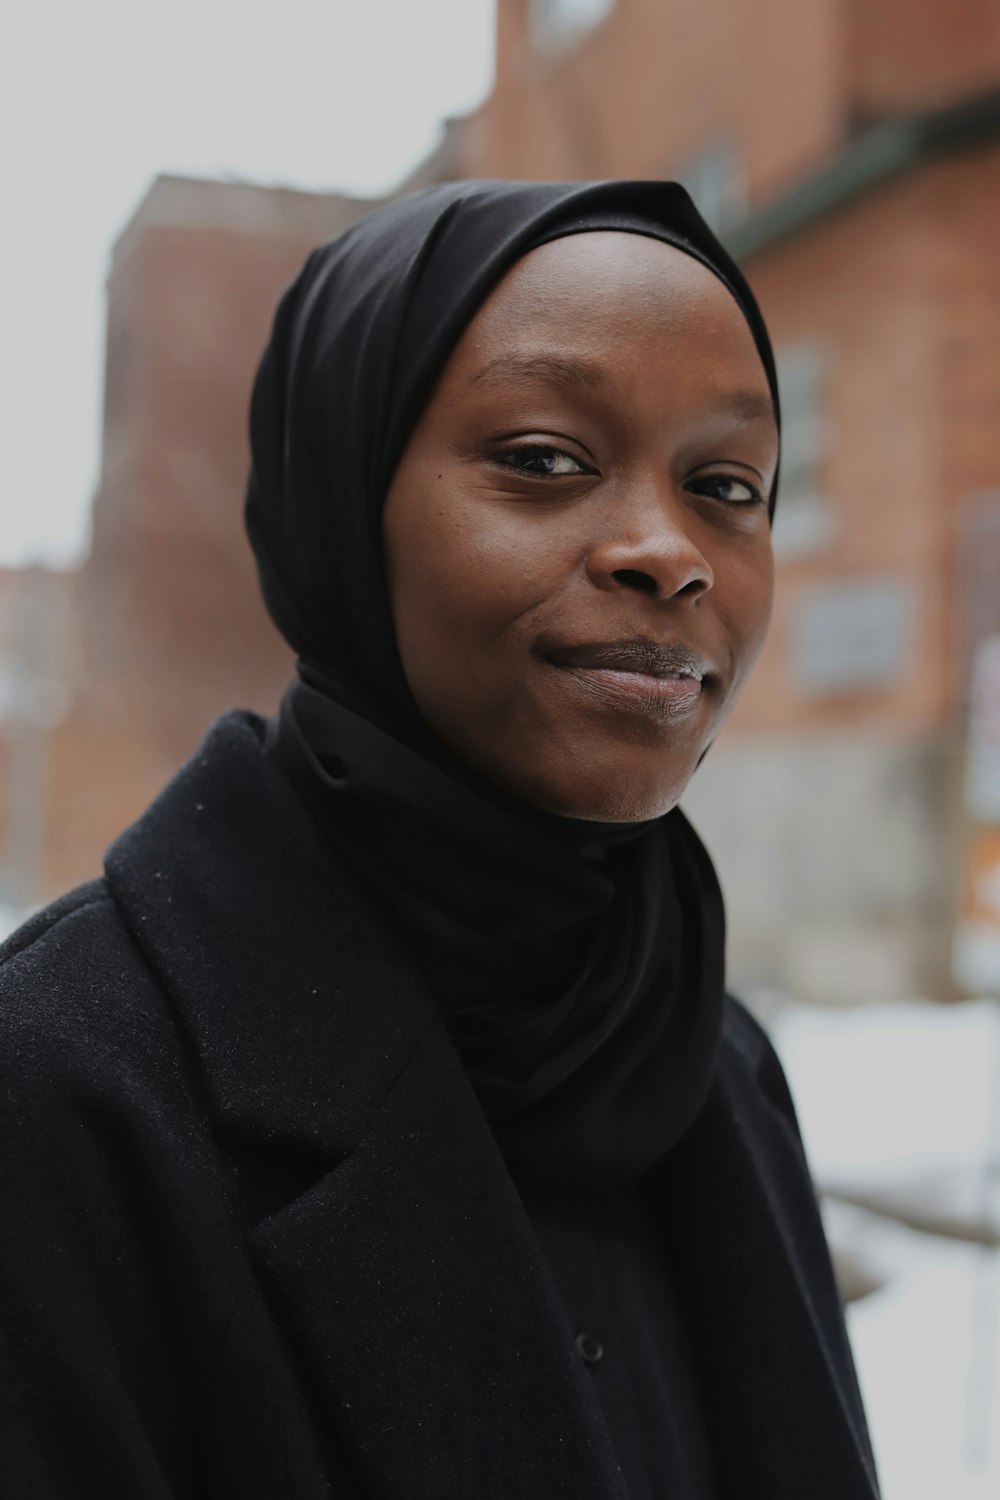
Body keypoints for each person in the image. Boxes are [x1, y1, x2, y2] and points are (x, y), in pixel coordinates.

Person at [0, 180, 879, 1499]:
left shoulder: (713, 1057)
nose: (667, 550)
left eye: (727, 484)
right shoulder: (65, 1093)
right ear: (342, 503)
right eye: (542, 459)